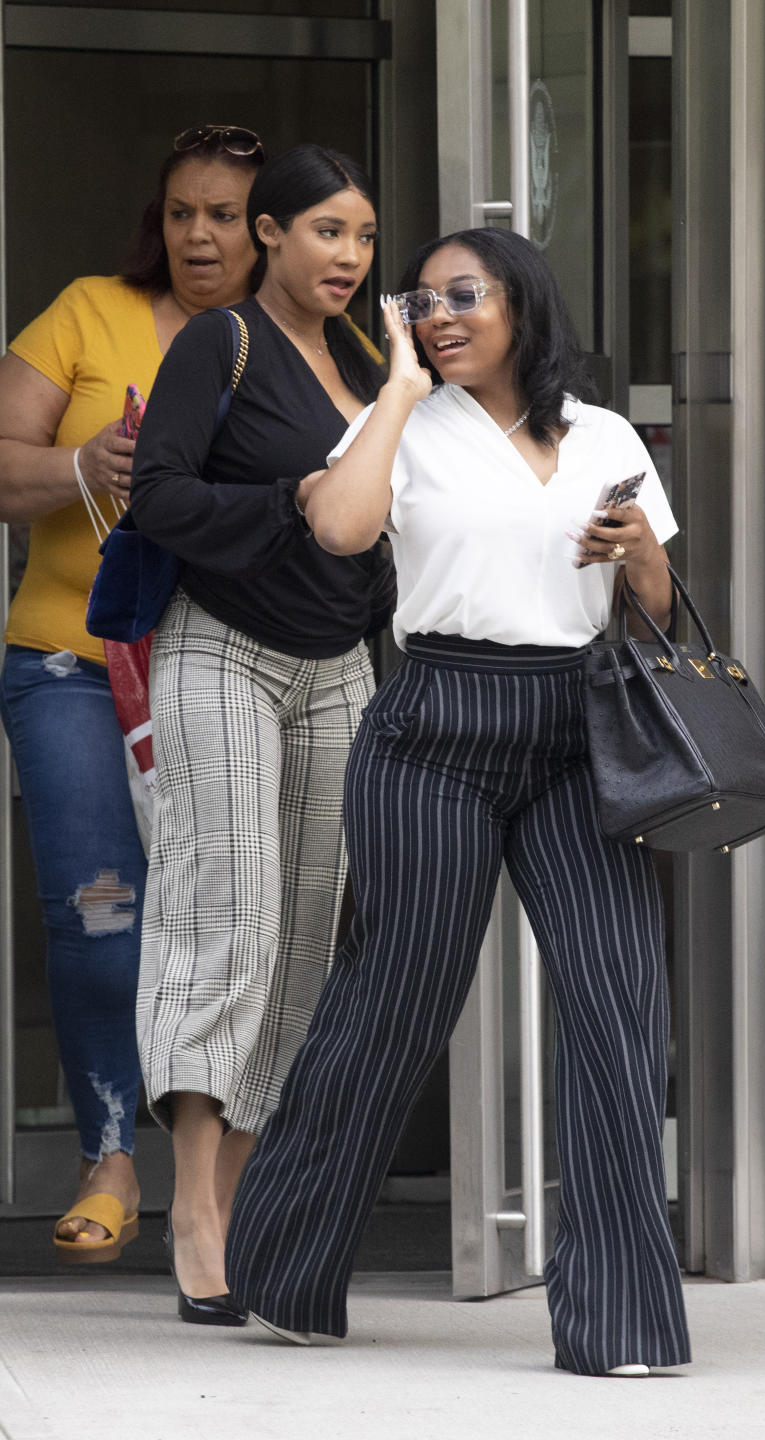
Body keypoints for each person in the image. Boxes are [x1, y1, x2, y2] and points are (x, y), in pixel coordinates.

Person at [224, 227, 692, 1376]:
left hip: (579, 732)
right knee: (394, 998)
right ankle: (286, 1271)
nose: (437, 313)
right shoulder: (406, 425)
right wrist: (395, 387)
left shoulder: (606, 435)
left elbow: (662, 609)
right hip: (433, 727)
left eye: (461, 294)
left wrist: (636, 554)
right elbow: (337, 529)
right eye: (418, 298)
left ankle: (621, 1320)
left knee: (617, 1003)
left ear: (522, 303)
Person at [130, 144, 391, 1325]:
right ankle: (190, 1208)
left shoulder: (376, 365)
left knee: (300, 951)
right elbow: (162, 499)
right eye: (327, 232)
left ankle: (240, 1198)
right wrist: (290, 501)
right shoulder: (218, 342)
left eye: (365, 238)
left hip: (342, 668)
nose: (349, 257)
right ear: (270, 234)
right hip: (222, 646)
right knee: (223, 911)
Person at [0, 122, 265, 1263]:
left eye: (221, 215)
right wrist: (80, 466)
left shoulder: (308, 338)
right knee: (103, 911)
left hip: (228, 663)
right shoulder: (88, 311)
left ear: (266, 230)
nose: (197, 234)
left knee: (232, 928)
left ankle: (231, 1187)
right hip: (68, 659)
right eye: (179, 212)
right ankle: (111, 1156)